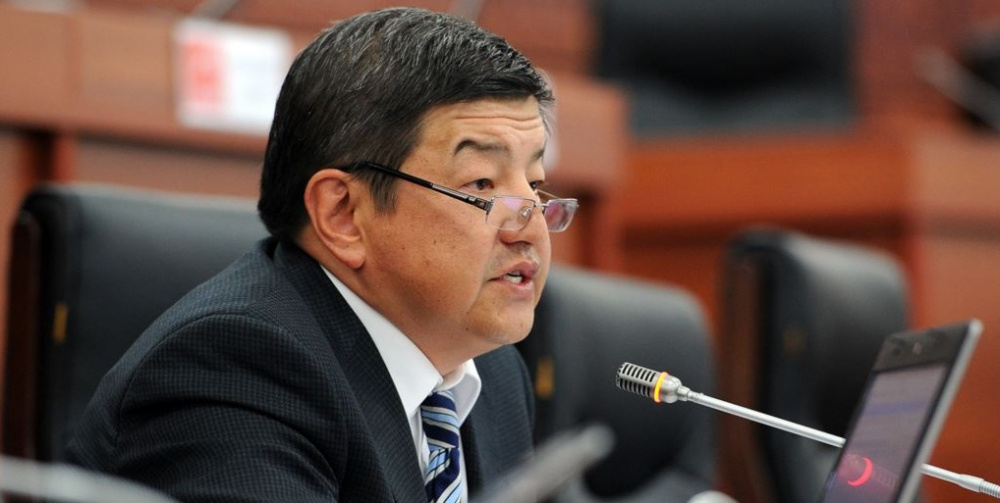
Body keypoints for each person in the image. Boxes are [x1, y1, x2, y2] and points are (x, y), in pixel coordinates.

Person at [65, 7, 578, 503]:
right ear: (343, 214)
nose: (532, 225)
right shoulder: (239, 370)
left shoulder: (492, 375)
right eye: (482, 184)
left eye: (535, 185)